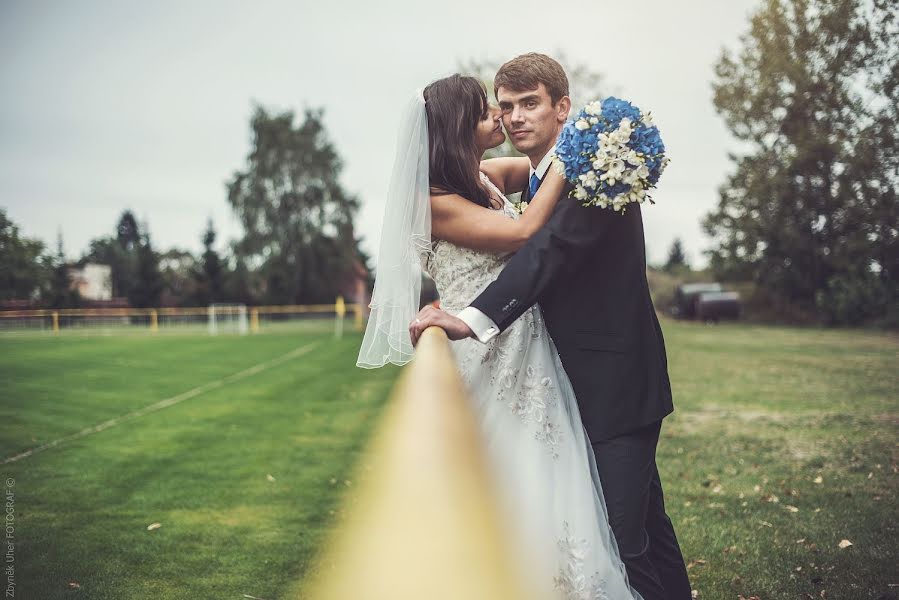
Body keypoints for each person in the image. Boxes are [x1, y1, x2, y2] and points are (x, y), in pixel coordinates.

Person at [409, 54, 692, 600]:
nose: (514, 117)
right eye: (506, 106)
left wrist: (468, 320)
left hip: (613, 386)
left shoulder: (590, 177)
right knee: (647, 531)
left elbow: (547, 253)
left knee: (622, 543)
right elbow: (460, 186)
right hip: (566, 385)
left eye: (530, 103)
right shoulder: (532, 176)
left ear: (564, 108)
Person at [358, 72, 642, 599]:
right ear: (460, 126)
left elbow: (535, 169)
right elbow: (523, 229)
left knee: (550, 479)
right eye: (489, 111)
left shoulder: (481, 177)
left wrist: (590, 142)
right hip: (490, 351)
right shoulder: (436, 200)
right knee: (514, 476)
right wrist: (581, 146)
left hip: (524, 345)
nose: (502, 118)